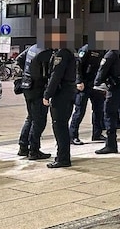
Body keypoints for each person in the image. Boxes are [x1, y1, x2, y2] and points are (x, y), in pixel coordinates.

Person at [41, 19, 79, 169]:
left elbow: (56, 76)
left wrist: (46, 94)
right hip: (70, 91)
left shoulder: (62, 53)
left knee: (59, 125)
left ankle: (63, 158)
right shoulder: (71, 51)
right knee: (63, 124)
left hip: (61, 93)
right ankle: (63, 155)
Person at [94, 31, 120, 154]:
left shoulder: (111, 53)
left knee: (109, 115)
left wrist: (97, 83)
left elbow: (102, 70)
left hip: (115, 88)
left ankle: (111, 145)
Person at [15, 44, 54, 160]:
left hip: (27, 85)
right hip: (38, 88)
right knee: (39, 121)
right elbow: (50, 72)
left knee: (31, 118)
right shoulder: (47, 52)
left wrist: (26, 74)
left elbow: (19, 60)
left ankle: (23, 147)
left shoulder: (33, 47)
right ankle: (34, 150)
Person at [69, 44, 106, 145]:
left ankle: (97, 134)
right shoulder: (86, 49)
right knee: (80, 111)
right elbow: (78, 65)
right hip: (84, 84)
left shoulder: (102, 50)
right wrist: (78, 81)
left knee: (99, 110)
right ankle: (73, 136)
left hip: (95, 84)